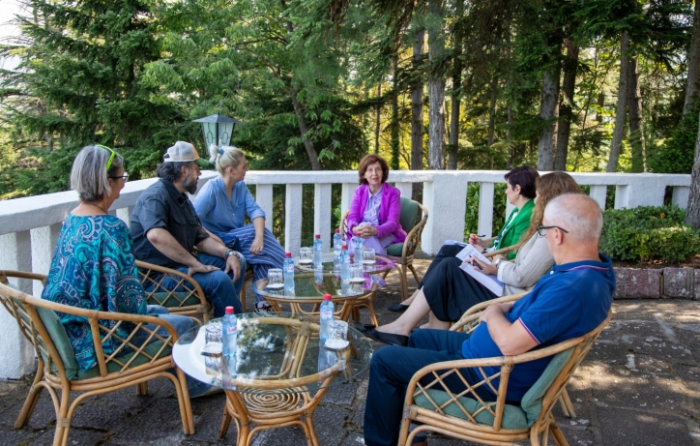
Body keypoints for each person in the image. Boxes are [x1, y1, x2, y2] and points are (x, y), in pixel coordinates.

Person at [363, 193, 615, 446]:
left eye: (543, 230)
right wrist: (510, 306)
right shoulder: (593, 272)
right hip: (486, 360)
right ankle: (414, 434)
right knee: (417, 338)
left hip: (491, 378)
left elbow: (509, 343)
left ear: (557, 235)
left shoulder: (570, 289)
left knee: (384, 361)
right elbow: (543, 309)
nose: (544, 236)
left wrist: (493, 312)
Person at [42, 145, 211, 396]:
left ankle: (185, 380)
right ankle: (196, 388)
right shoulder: (111, 228)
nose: (123, 184)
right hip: (98, 339)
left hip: (67, 330)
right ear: (107, 182)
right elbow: (129, 304)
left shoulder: (73, 219)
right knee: (185, 324)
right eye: (122, 177)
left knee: (161, 311)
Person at [368, 172, 583, 346]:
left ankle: (405, 327)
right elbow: (520, 260)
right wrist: (490, 260)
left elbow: (522, 277)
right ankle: (430, 329)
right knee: (450, 265)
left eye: (539, 196)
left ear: (549, 198)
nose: (536, 201)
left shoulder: (550, 235)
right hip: (507, 284)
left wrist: (495, 264)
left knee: (449, 268)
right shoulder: (551, 229)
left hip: (509, 296)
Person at [387, 165, 539, 314]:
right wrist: (483, 242)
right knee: (449, 248)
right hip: (492, 255)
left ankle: (417, 299)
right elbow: (502, 238)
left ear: (517, 189)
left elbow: (514, 253)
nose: (506, 191)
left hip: (495, 266)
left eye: (508, 187)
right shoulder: (518, 211)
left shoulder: (528, 215)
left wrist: (484, 251)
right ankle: (417, 296)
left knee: (448, 262)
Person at [130, 141, 246, 317]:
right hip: (158, 278)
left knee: (238, 260)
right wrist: (194, 263)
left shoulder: (182, 199)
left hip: (181, 266)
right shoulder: (155, 196)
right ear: (184, 171)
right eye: (196, 169)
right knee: (219, 279)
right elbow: (156, 235)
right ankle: (230, 326)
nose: (200, 174)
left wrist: (228, 253)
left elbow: (201, 238)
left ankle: (222, 320)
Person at [193, 145, 285, 311]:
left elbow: (256, 211)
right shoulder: (212, 189)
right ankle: (293, 273)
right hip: (216, 242)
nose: (247, 169)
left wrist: (259, 238)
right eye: (244, 166)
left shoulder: (240, 187)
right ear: (231, 171)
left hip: (236, 240)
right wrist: (255, 235)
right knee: (253, 232)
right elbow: (192, 222)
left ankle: (263, 305)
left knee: (261, 254)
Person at [346, 154, 406, 256]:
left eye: (378, 169)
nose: (374, 173)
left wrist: (375, 230)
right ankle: (382, 263)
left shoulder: (393, 193)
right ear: (364, 174)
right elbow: (352, 217)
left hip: (386, 234)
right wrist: (355, 229)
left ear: (383, 172)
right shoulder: (359, 192)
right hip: (362, 233)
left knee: (357, 242)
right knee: (362, 239)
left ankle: (369, 265)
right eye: (370, 170)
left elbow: (393, 222)